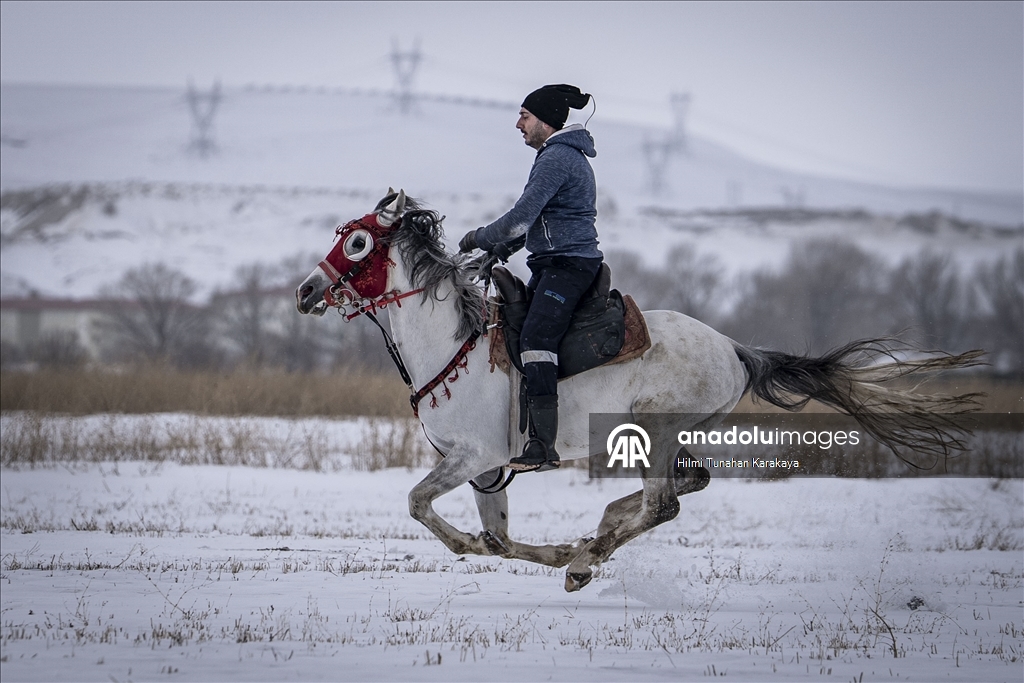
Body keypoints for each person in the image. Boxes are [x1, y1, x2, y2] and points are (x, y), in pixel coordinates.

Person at [459, 84, 603, 472]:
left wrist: (479, 237)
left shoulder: (556, 157)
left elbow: (521, 216)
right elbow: (536, 222)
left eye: (524, 116)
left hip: (568, 266)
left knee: (538, 340)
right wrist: (498, 252)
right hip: (555, 264)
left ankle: (542, 447)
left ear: (544, 120)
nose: (518, 124)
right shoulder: (556, 155)